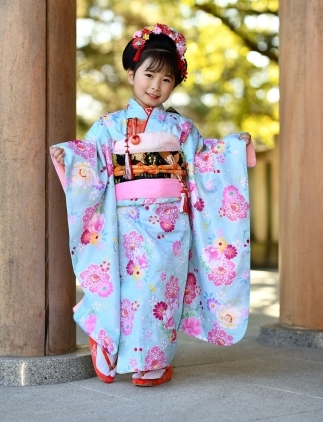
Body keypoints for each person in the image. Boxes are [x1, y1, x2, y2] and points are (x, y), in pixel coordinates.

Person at [50, 23, 255, 387]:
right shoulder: (108, 127)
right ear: (131, 74)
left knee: (163, 291)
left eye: (166, 80)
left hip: (171, 227)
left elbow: (207, 162)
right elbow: (91, 160)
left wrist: (235, 148)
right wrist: (69, 155)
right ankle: (108, 339)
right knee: (130, 291)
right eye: (148, 75)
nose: (156, 86)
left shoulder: (182, 129)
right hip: (125, 224)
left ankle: (154, 360)